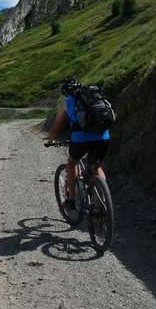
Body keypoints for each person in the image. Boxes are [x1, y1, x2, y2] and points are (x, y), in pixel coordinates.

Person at [45, 78, 110, 210]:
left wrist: (51, 139)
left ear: (66, 92)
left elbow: (57, 124)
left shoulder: (67, 101)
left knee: (71, 163)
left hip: (81, 138)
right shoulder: (93, 97)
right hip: (103, 136)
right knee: (96, 166)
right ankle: (104, 202)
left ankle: (71, 199)